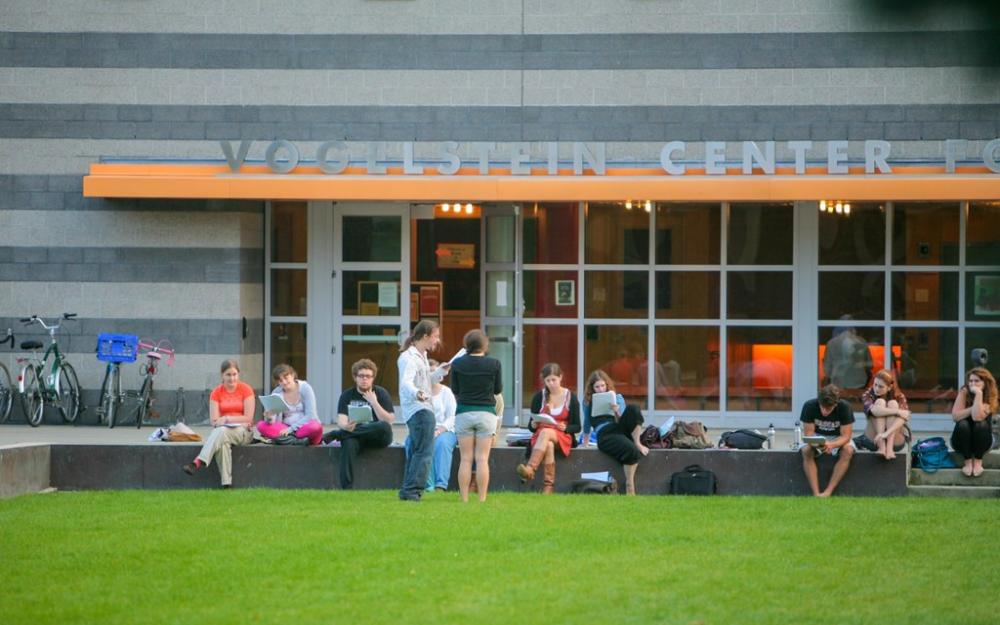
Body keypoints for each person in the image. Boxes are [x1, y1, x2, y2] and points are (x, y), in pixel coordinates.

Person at [322, 358, 395, 489]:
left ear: (373, 378)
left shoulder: (381, 393)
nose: (364, 379)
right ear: (355, 377)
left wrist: (374, 402)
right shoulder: (347, 395)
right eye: (361, 376)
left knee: (383, 426)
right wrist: (345, 427)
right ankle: (347, 488)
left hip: (378, 437)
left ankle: (337, 435)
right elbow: (341, 421)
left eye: (368, 376)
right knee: (348, 442)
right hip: (356, 436)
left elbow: (389, 420)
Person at [183, 359, 255, 488]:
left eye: (234, 374)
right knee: (223, 442)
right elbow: (214, 421)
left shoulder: (246, 389)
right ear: (222, 375)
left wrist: (227, 419)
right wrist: (223, 422)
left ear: (238, 374)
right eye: (228, 374)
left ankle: (198, 461)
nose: (232, 378)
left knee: (221, 432)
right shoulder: (216, 393)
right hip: (223, 431)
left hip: (244, 432)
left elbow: (248, 418)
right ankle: (226, 484)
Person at [397, 319, 447, 502]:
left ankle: (408, 491)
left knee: (420, 450)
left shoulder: (421, 355)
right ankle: (412, 491)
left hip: (422, 407)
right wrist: (418, 393)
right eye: (435, 336)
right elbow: (406, 383)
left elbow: (425, 380)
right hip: (419, 409)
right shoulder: (409, 358)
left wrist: (440, 372)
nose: (437, 340)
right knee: (424, 452)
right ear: (425, 336)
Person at [451, 329, 503, 503]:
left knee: (465, 458)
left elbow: (455, 390)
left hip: (464, 412)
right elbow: (497, 390)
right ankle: (482, 498)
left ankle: (464, 498)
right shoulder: (494, 364)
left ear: (467, 345)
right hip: (486, 413)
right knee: (482, 459)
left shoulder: (458, 364)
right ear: (485, 345)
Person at [582, 369, 649, 495]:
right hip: (605, 433)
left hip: (618, 427)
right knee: (631, 451)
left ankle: (637, 442)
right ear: (592, 388)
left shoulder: (616, 398)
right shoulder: (587, 402)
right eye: (597, 387)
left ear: (607, 385)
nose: (601, 389)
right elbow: (587, 423)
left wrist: (617, 411)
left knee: (633, 408)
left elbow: (625, 420)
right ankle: (630, 484)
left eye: (603, 385)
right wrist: (585, 442)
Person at [517, 363, 581, 494]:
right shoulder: (539, 397)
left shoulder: (570, 397)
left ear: (560, 377)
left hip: (562, 436)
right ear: (544, 381)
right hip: (541, 436)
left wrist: (566, 427)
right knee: (549, 445)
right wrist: (533, 425)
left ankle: (530, 469)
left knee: (546, 433)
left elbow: (577, 426)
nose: (551, 383)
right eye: (548, 381)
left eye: (554, 380)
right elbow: (531, 426)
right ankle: (548, 486)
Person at [404, 358, 457, 493]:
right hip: (423, 429)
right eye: (430, 372)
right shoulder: (418, 393)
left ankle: (440, 485)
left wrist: (440, 430)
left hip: (445, 430)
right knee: (410, 442)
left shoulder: (447, 392)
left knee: (442, 444)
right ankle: (425, 484)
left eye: (435, 371)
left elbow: (452, 416)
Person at [799, 384, 856, 497]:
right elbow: (809, 434)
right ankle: (816, 493)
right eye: (822, 407)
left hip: (838, 437)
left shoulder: (845, 407)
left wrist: (832, 444)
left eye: (829, 408)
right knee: (806, 451)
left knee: (848, 451)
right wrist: (820, 444)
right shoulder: (809, 406)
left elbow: (846, 436)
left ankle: (828, 492)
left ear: (836, 404)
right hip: (817, 436)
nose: (825, 411)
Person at [256, 363, 324, 446]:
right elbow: (273, 421)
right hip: (284, 428)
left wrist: (290, 430)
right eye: (280, 380)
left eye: (286, 378)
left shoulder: (305, 388)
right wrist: (269, 417)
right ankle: (297, 441)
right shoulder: (276, 392)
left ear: (292, 375)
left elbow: (311, 415)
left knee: (315, 427)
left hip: (304, 427)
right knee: (261, 425)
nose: (284, 382)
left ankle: (285, 440)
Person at [950, 367, 998, 478]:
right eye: (970, 381)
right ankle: (967, 462)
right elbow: (956, 416)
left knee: (980, 425)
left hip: (983, 442)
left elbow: (977, 417)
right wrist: (973, 408)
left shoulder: (990, 396)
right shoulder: (964, 391)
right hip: (961, 440)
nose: (972, 384)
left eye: (976, 381)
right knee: (963, 424)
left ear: (985, 383)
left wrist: (979, 395)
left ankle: (977, 461)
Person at [861, 368, 911, 460]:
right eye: (875, 385)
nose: (876, 389)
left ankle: (889, 448)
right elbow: (874, 411)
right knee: (880, 402)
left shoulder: (899, 396)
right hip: (873, 439)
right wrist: (897, 411)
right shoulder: (868, 394)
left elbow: (904, 417)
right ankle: (882, 446)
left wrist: (886, 434)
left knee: (893, 403)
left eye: (881, 386)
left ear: (890, 387)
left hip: (895, 441)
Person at [822, 318, 873, 390]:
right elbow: (870, 365)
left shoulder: (831, 343)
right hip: (859, 384)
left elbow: (827, 370)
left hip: (837, 385)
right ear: (853, 327)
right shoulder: (861, 341)